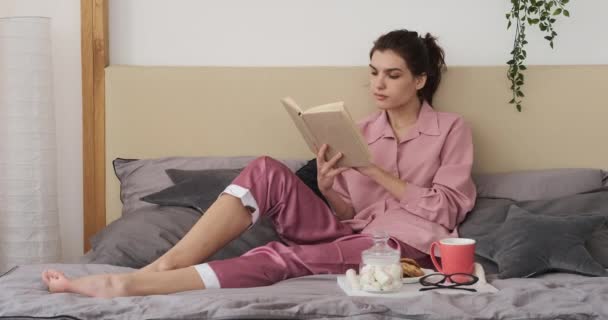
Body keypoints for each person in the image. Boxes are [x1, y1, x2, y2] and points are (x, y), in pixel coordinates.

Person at [42, 29, 476, 298]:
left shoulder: (452, 128)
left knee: (279, 257)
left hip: (402, 245)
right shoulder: (359, 128)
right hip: (350, 231)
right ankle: (168, 264)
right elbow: (348, 214)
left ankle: (132, 284)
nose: (377, 83)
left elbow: (447, 208)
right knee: (267, 168)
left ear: (420, 80)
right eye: (374, 71)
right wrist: (327, 187)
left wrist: (375, 173)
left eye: (392, 74)